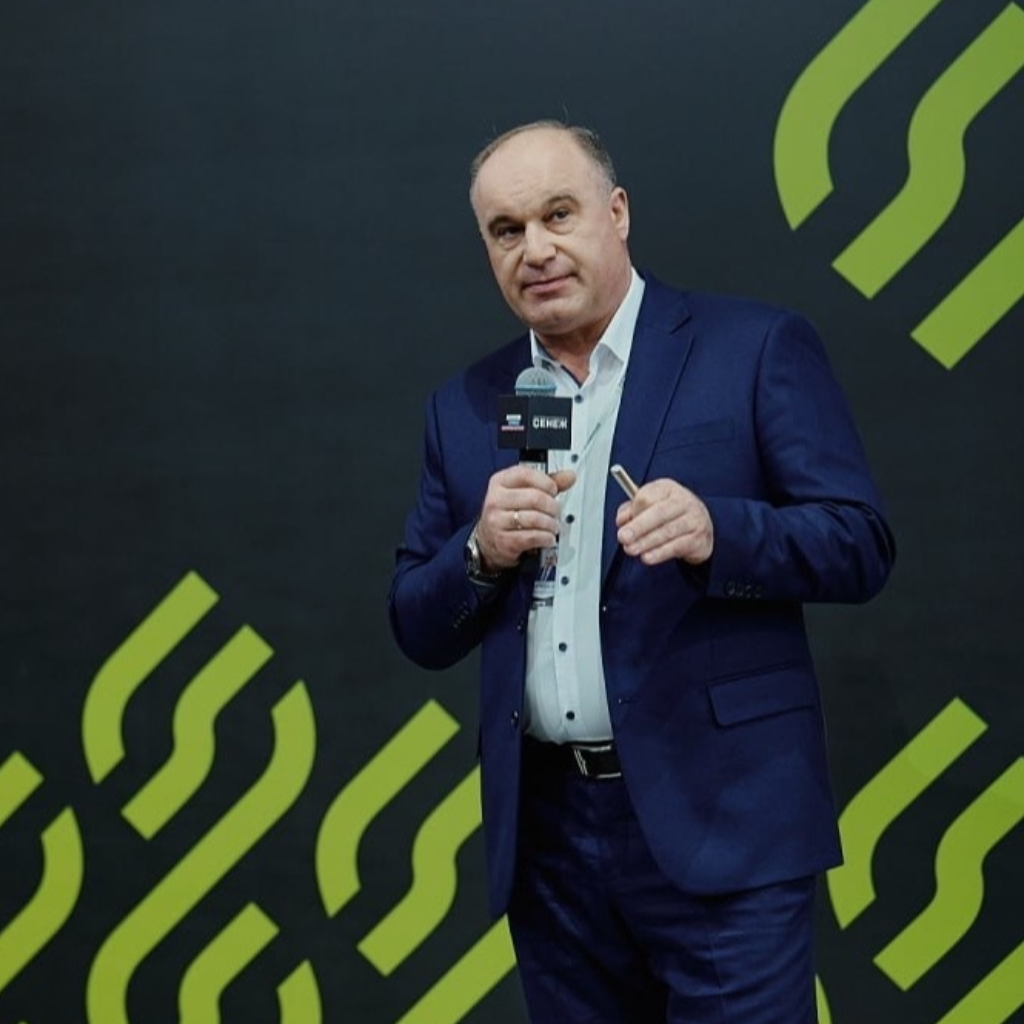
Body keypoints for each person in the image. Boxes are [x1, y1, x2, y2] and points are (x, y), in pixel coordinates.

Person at [388, 120, 895, 1024]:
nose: (535, 250)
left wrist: (719, 531)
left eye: (558, 214)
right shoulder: (468, 406)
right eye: (507, 231)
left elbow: (858, 542)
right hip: (549, 844)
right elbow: (415, 623)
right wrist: (480, 552)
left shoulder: (751, 347)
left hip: (723, 820)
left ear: (616, 213)